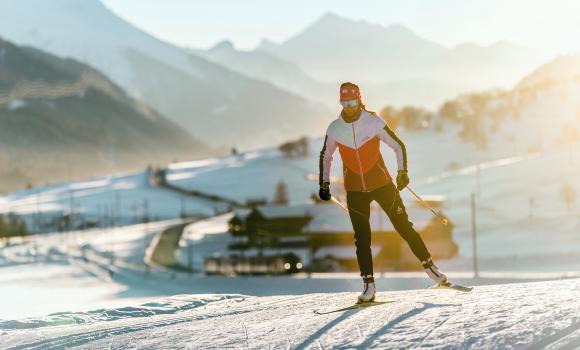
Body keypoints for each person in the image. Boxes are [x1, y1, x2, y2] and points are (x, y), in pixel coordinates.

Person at [318, 82, 448, 303]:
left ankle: (432, 270)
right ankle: (369, 287)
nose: (348, 107)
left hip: (382, 184)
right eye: (344, 102)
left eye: (352, 102)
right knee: (362, 238)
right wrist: (324, 183)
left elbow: (398, 145)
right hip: (355, 190)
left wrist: (402, 172)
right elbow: (325, 156)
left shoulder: (373, 121)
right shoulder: (334, 128)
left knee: (403, 227)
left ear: (359, 99)